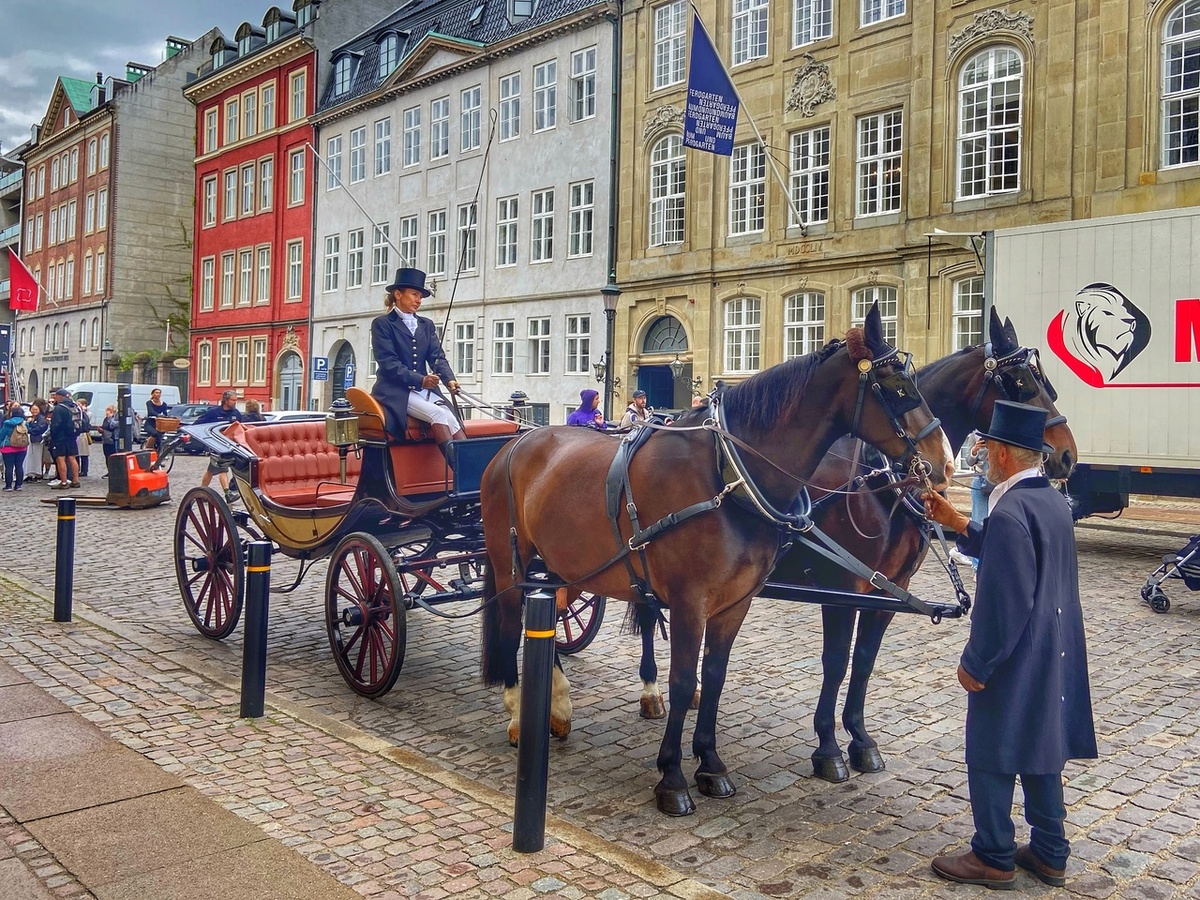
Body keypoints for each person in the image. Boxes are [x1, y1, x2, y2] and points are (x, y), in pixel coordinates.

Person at [923, 400, 1096, 891]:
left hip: (1015, 654)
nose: (982, 458)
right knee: (1042, 745)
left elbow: (1005, 602)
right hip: (1052, 649)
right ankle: (1050, 852)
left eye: (986, 449)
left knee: (990, 749)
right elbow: (1019, 554)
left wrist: (976, 662)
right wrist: (961, 524)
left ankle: (993, 854)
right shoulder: (1051, 503)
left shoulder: (1010, 511)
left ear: (1001, 453)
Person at [370, 267, 464, 462]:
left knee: (451, 418)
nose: (418, 300)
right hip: (395, 391)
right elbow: (388, 363)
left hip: (423, 391)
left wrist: (449, 380)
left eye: (420, 296)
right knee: (438, 413)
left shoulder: (426, 325)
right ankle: (460, 470)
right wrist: (421, 380)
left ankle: (471, 471)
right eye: (414, 294)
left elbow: (437, 357)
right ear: (398, 294)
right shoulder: (382, 324)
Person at [194, 390, 243, 502]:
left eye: (236, 400)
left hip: (230, 445)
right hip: (216, 446)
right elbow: (198, 423)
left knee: (210, 471)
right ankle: (228, 494)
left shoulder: (236, 413)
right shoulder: (213, 413)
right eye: (233, 400)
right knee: (223, 468)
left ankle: (201, 493)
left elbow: (240, 428)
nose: (235, 402)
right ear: (225, 400)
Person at [47, 388, 81, 489]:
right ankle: (76, 480)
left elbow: (56, 424)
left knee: (60, 458)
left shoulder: (59, 408)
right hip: (72, 436)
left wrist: (52, 435)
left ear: (60, 396)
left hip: (60, 437)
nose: (54, 398)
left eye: (56, 396)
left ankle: (64, 481)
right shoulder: (74, 406)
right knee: (72, 458)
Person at [1, 402, 29, 491]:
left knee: (9, 467)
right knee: (19, 466)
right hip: (22, 447)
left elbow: (2, 435)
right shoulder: (25, 423)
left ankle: (8, 486)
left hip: (8, 447)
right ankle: (18, 485)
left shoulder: (7, 423)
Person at [24, 401, 48, 483]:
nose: (34, 411)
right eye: (33, 409)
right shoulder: (30, 418)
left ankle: (38, 474)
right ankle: (30, 473)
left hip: (37, 440)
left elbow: (38, 429)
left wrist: (29, 428)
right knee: (30, 457)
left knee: (37, 457)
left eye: (36, 409)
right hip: (30, 440)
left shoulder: (41, 419)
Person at [75, 398, 93, 477]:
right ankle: (77, 469)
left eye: (79, 404)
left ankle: (84, 470)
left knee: (84, 453)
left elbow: (89, 417)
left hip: (83, 435)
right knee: (76, 454)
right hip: (77, 435)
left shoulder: (86, 413)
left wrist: (84, 411)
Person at [101, 404, 120, 478]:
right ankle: (109, 471)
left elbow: (111, 427)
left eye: (109, 410)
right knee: (107, 456)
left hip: (111, 439)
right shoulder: (106, 419)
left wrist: (110, 419)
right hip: (105, 439)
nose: (107, 412)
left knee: (112, 455)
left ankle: (114, 471)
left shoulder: (113, 418)